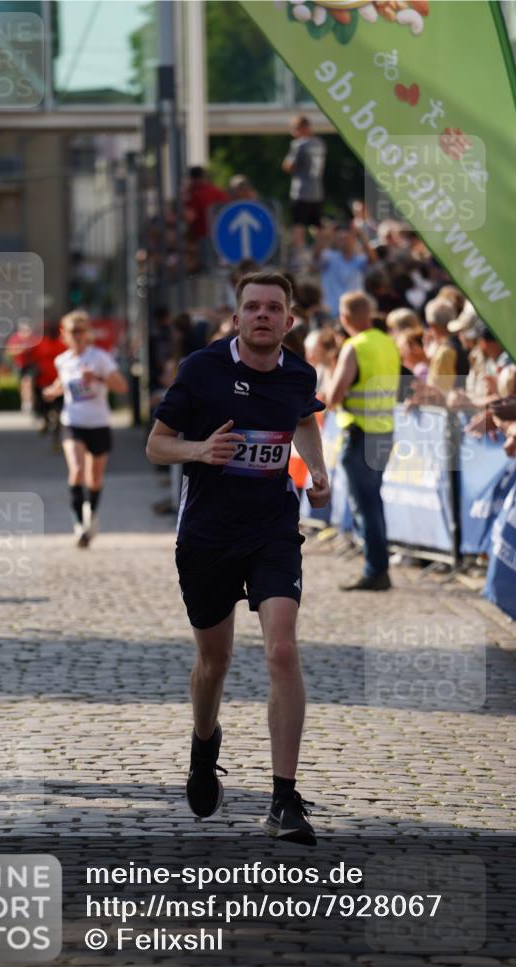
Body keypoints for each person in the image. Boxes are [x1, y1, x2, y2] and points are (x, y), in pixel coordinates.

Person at [146, 272, 330, 845]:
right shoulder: (202, 370)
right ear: (236, 318)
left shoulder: (299, 373)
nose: (262, 316)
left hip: (273, 529)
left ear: (289, 320)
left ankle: (284, 799)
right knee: (215, 662)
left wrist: (315, 468)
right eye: (252, 307)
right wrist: (199, 449)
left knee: (280, 648)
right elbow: (156, 443)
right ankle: (205, 743)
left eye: (274, 308)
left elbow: (303, 419)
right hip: (206, 535)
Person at [324, 291, 401, 591]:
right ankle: (377, 566)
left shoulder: (354, 347)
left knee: (364, 505)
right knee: (374, 502)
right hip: (384, 431)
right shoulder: (387, 343)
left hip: (359, 433)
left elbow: (334, 396)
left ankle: (375, 570)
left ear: (345, 319)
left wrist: (330, 374)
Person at [42, 310, 128, 547]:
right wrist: (52, 391)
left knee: (95, 478)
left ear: (87, 333)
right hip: (73, 422)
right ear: (64, 335)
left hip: (99, 423)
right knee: (77, 471)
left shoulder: (99, 358)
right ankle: (79, 525)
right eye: (72, 332)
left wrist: (98, 379)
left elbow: (121, 387)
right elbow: (62, 384)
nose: (77, 336)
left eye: (81, 331)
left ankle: (91, 513)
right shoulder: (62, 361)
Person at [282, 115, 326, 257]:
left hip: (301, 191)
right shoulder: (320, 143)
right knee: (317, 225)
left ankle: (301, 255)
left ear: (302, 128)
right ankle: (320, 252)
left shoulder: (299, 144)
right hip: (317, 191)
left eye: (294, 129)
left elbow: (289, 166)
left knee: (298, 224)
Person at [314, 223, 376, 319]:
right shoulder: (329, 257)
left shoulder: (359, 260)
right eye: (340, 239)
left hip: (355, 312)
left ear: (353, 240)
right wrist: (326, 236)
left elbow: (372, 259)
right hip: (332, 312)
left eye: (346, 238)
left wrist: (361, 235)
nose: (343, 241)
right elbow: (316, 256)